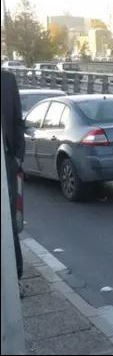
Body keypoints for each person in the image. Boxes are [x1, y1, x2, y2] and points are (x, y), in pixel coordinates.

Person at [1, 70, 26, 280]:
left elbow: (18, 120)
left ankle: (14, 277)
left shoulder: (7, 80)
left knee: (7, 220)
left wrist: (18, 156)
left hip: (6, 160)